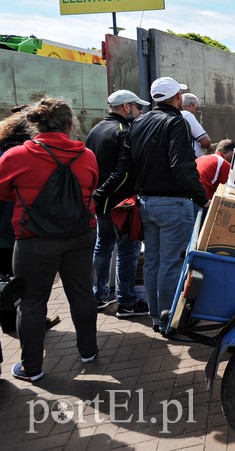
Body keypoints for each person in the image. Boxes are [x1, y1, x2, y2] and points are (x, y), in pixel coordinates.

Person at [95, 77, 207, 334]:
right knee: (170, 264)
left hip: (146, 203)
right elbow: (182, 166)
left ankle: (157, 316)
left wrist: (102, 193)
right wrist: (202, 198)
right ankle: (169, 320)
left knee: (154, 262)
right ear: (176, 97)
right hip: (173, 204)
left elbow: (126, 166)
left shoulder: (137, 123)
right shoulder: (176, 121)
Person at [0, 97, 99, 382]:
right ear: (70, 124)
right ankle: (88, 351)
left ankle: (32, 367)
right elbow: (91, 186)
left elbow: (3, 191)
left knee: (31, 302)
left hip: (34, 238)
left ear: (37, 124)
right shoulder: (86, 155)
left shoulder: (17, 156)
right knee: (81, 292)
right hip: (80, 234)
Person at [85, 89, 150, 317]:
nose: (140, 110)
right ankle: (127, 302)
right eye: (137, 106)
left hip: (101, 203)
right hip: (120, 203)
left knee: (102, 248)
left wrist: (97, 193)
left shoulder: (95, 129)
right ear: (126, 107)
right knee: (128, 251)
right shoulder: (124, 131)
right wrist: (103, 192)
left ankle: (98, 296)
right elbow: (124, 172)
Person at [181, 92, 212, 157]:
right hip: (191, 160)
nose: (196, 111)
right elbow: (206, 142)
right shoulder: (187, 114)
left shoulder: (177, 114)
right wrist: (209, 146)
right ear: (191, 105)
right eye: (196, 108)